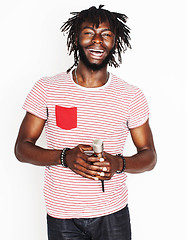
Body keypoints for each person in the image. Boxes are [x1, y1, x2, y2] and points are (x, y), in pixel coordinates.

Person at [14, 5, 157, 240]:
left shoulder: (131, 95)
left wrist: (118, 163)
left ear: (115, 41)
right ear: (76, 38)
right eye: (89, 32)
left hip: (112, 213)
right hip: (62, 215)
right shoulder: (48, 88)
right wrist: (64, 157)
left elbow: (149, 156)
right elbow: (22, 148)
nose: (97, 41)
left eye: (106, 34)